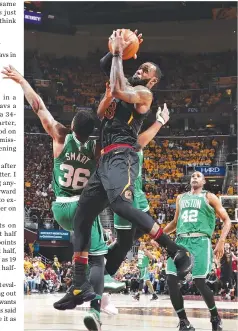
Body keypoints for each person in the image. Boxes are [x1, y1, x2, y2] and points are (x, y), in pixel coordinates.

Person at [53, 29, 193, 311]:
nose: (140, 69)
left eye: (145, 69)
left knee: (119, 204)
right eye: (139, 65)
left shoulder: (143, 94)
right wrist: (117, 50)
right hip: (104, 159)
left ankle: (175, 249)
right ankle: (80, 284)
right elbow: (106, 67)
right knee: (82, 215)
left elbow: (118, 88)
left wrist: (119, 51)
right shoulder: (123, 80)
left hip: (122, 154)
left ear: (152, 80)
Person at [1, 65, 107, 331]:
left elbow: (38, 107)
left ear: (72, 126)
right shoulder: (96, 149)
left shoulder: (60, 135)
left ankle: (78, 288)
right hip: (83, 209)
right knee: (97, 260)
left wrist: (22, 81)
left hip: (60, 210)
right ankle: (94, 310)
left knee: (84, 254)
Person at [98, 82, 170, 290]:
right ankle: (101, 269)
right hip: (126, 189)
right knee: (126, 241)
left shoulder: (133, 118)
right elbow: (138, 143)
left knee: (132, 237)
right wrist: (159, 122)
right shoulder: (123, 132)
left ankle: (103, 267)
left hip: (137, 189)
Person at [162, 171, 231, 331]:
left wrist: (221, 241)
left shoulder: (209, 197)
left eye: (198, 176)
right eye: (192, 175)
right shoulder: (181, 198)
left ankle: (215, 317)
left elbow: (227, 220)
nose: (195, 177)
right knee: (171, 279)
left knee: (199, 282)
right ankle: (184, 321)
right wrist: (160, 234)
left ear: (204, 181)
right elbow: (174, 222)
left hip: (200, 241)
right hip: (181, 241)